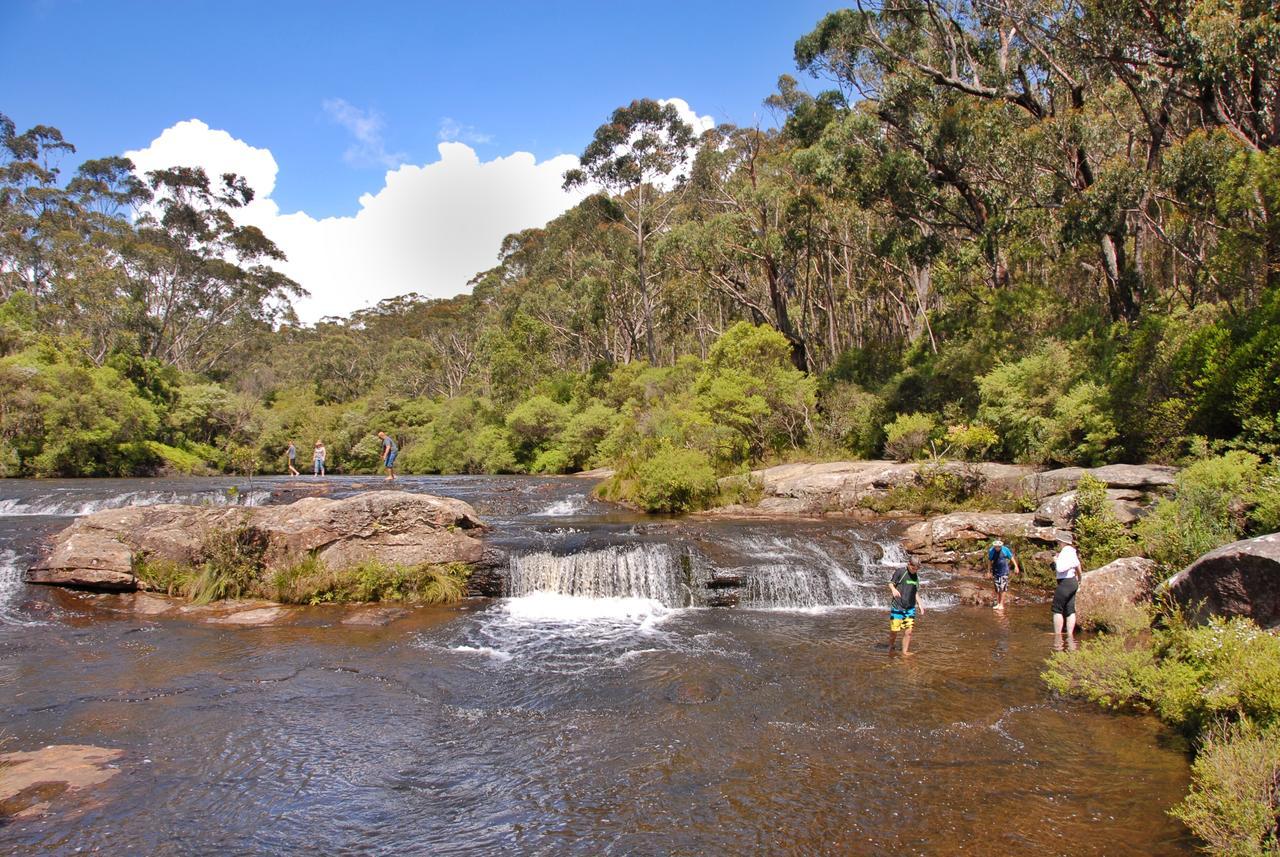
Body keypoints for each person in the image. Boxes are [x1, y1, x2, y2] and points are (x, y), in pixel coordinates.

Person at [888, 558, 925, 655]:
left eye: (917, 569)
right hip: (898, 605)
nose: (915, 571)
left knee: (909, 631)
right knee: (894, 631)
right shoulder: (900, 572)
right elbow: (891, 583)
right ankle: (891, 647)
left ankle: (905, 652)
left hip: (910, 608)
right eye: (913, 568)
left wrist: (920, 604)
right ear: (909, 564)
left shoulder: (915, 576)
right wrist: (893, 590)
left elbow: (915, 592)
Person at [1052, 537, 1082, 643]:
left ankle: (1058, 636)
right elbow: (1078, 566)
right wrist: (1079, 578)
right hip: (1073, 581)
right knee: (1070, 608)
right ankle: (1070, 636)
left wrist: (1056, 560)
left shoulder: (1064, 553)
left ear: (1062, 542)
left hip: (1065, 582)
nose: (1058, 544)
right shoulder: (1073, 552)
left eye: (1058, 542)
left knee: (1057, 609)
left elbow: (1060, 568)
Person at [986, 539, 1021, 611]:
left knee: (1003, 588)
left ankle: (1001, 604)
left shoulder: (1005, 550)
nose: (997, 548)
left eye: (999, 546)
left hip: (1004, 571)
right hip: (995, 571)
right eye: (996, 546)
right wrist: (988, 571)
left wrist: (1016, 566)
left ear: (1001, 546)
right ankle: (998, 603)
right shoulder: (991, 551)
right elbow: (989, 561)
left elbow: (1011, 558)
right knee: (997, 588)